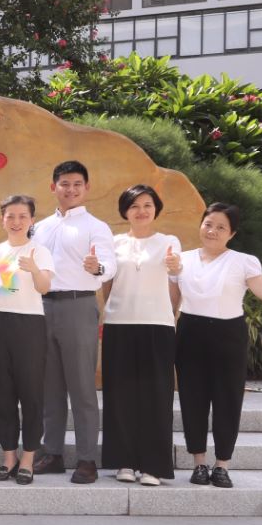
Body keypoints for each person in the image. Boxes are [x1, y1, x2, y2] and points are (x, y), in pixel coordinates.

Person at [175, 202, 262, 487]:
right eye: (208, 224)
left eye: (221, 227)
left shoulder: (243, 261)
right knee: (192, 399)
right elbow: (170, 303)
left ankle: (222, 465)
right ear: (201, 225)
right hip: (189, 332)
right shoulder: (181, 260)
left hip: (228, 334)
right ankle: (199, 463)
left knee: (227, 399)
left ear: (232, 233)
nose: (212, 231)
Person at [30, 160, 116, 484]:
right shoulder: (38, 228)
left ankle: (86, 458)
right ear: (53, 187)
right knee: (49, 386)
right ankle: (52, 453)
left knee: (81, 386)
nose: (71, 189)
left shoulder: (96, 227)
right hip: (42, 306)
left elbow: (109, 264)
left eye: (77, 184)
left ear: (86, 187)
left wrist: (97, 268)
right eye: (64, 183)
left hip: (78, 306)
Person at [100, 185, 182, 486]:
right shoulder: (114, 242)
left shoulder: (168, 242)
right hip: (119, 323)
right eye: (134, 206)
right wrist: (108, 311)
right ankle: (123, 461)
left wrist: (176, 267)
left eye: (147, 205)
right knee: (119, 395)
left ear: (156, 209)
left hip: (157, 325)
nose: (141, 211)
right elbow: (107, 283)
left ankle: (153, 466)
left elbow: (176, 274)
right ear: (125, 211)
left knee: (156, 396)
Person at [0, 194, 54, 484]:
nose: (16, 221)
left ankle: (28, 459)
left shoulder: (40, 251)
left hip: (29, 325)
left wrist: (35, 269)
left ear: (32, 220)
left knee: (31, 393)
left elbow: (45, 288)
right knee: (2, 394)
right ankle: (9, 458)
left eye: (22, 216)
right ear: (2, 219)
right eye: (10, 216)